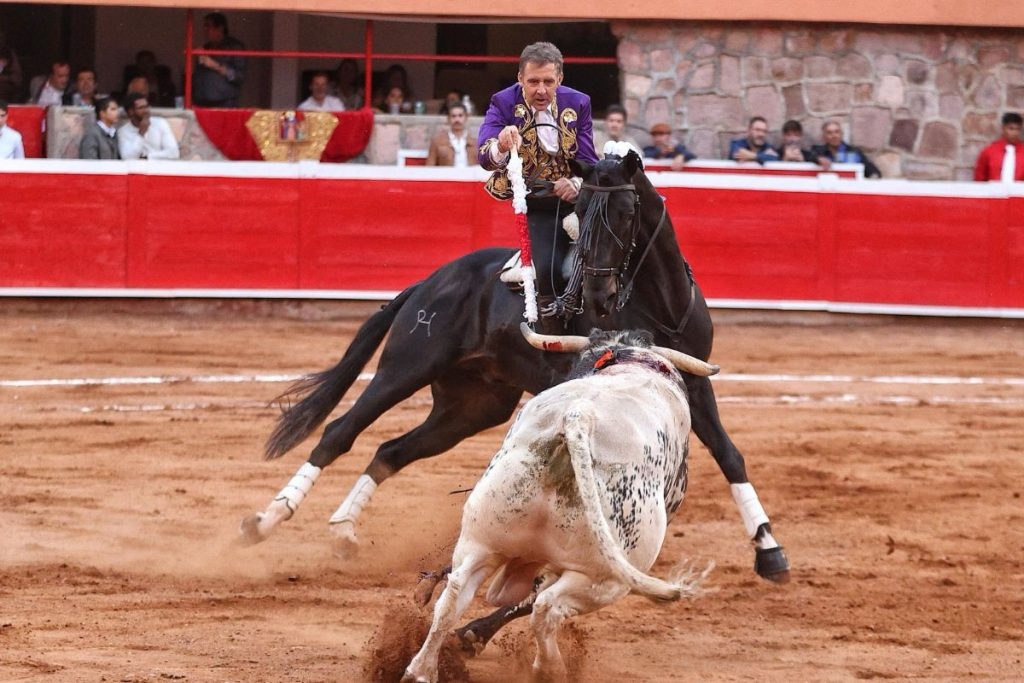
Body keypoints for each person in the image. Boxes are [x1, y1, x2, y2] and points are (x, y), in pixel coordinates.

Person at [477, 41, 598, 318]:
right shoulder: (503, 102)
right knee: (546, 269)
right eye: (533, 82)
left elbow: (588, 161)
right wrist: (502, 145)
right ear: (520, 78)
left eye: (548, 82)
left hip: (579, 204)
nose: (541, 90)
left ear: (560, 79)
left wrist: (575, 183)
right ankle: (549, 324)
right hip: (540, 205)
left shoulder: (578, 103)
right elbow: (485, 157)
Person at [192, 12, 246, 107]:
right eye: (204, 26)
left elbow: (239, 77)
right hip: (202, 103)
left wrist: (215, 66)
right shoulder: (206, 47)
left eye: (208, 26)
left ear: (220, 28)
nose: (205, 30)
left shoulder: (234, 47)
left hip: (224, 104)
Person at [117, 92, 179, 160]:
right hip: (137, 166)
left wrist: (146, 157)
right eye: (141, 108)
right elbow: (127, 157)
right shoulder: (123, 132)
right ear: (130, 111)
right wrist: (141, 134)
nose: (146, 110)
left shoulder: (160, 123)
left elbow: (174, 153)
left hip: (160, 165)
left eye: (146, 106)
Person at [810, 120, 882, 178]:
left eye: (837, 132)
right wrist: (818, 159)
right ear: (824, 136)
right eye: (829, 133)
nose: (834, 136)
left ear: (841, 134)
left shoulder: (854, 152)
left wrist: (873, 179)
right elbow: (808, 156)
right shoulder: (818, 151)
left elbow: (873, 172)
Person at [974, 112, 1024, 182]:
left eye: (1017, 129)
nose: (1014, 133)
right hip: (993, 189)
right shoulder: (989, 151)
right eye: (1011, 129)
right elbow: (979, 178)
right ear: (1003, 128)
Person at [426, 102, 476, 167]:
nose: (457, 120)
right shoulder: (437, 142)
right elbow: (429, 167)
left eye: (460, 116)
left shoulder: (476, 143)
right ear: (448, 119)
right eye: (453, 116)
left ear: (466, 118)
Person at [0, 33, 23, 103]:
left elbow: (17, 76)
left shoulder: (8, 53)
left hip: (5, 85)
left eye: (1, 38)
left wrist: (6, 78)